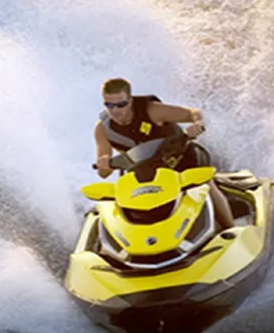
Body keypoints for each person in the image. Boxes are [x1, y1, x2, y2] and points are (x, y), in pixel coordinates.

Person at [92, 77, 236, 230]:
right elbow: (104, 173)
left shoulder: (153, 111)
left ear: (131, 101)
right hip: (145, 174)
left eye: (121, 104)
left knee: (206, 185)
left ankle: (230, 229)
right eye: (109, 105)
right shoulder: (102, 130)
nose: (115, 110)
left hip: (182, 161)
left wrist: (198, 124)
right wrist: (104, 163)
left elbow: (193, 113)